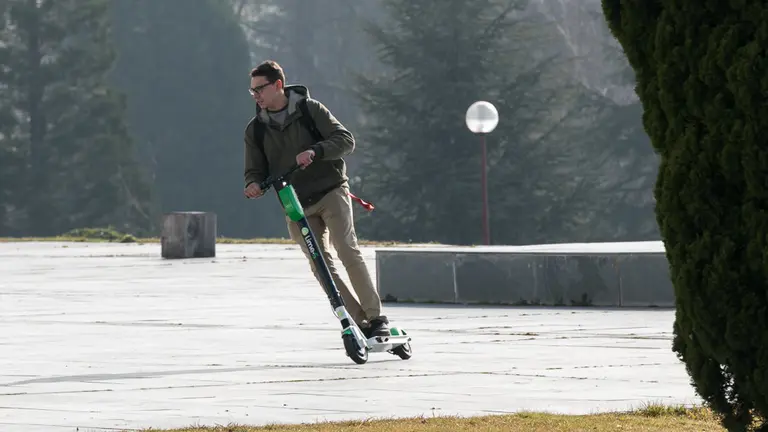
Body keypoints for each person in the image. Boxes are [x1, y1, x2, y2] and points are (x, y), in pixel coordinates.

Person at [242, 60, 390, 338]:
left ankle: (375, 317)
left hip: (331, 190)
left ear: (278, 85)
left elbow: (345, 140)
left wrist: (316, 151)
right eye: (252, 92)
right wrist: (252, 184)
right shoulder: (255, 130)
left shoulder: (311, 110)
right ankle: (359, 322)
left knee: (347, 250)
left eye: (260, 89)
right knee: (319, 264)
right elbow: (254, 169)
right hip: (295, 203)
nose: (256, 96)